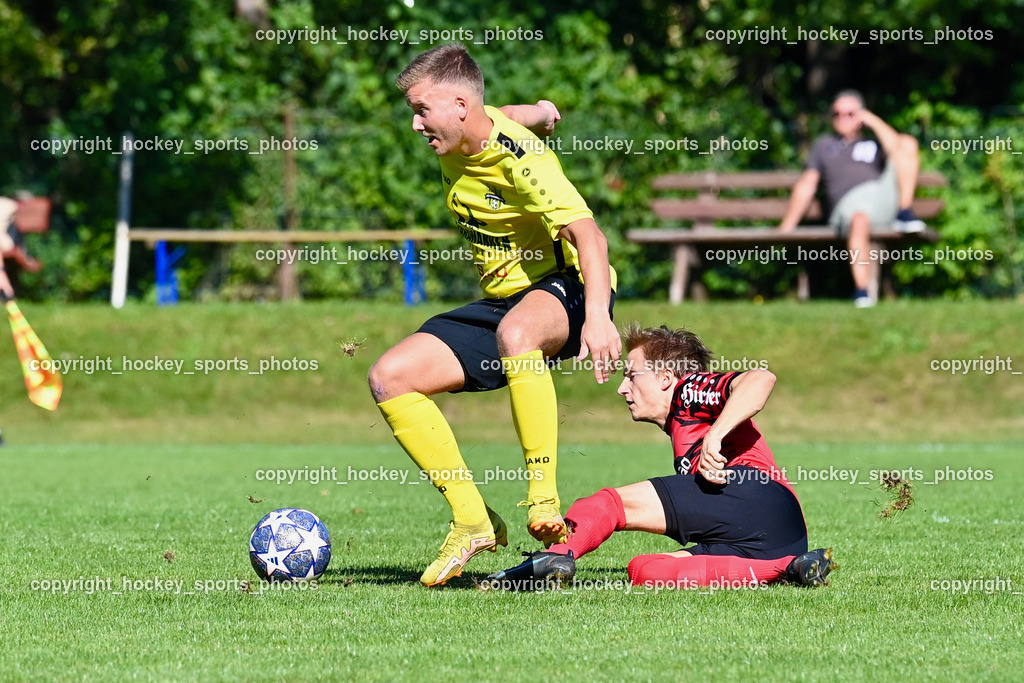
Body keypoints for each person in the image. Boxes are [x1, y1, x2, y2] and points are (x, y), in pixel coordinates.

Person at [368, 43, 620, 587]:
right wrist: (542, 110)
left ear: (459, 105)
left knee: (518, 331)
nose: (415, 125)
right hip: (507, 301)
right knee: (391, 377)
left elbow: (589, 236)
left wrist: (597, 316)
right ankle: (472, 521)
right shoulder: (468, 125)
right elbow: (504, 113)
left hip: (572, 287)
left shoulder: (521, 157)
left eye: (420, 109)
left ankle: (543, 502)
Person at [488, 323, 836, 590]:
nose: (623, 388)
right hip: (781, 540)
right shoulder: (680, 419)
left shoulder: (689, 390)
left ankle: (552, 559)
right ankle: (793, 568)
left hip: (755, 493)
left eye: (632, 375)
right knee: (647, 570)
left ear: (667, 378)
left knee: (606, 503)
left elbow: (761, 378)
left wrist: (716, 435)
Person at [779, 90, 925, 307]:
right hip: (849, 206)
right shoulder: (824, 145)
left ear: (860, 116)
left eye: (849, 113)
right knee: (859, 219)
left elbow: (899, 148)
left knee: (908, 143)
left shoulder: (874, 144)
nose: (842, 118)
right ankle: (862, 291)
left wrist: (872, 121)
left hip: (880, 198)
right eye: (837, 114)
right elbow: (807, 184)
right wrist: (786, 227)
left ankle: (905, 212)